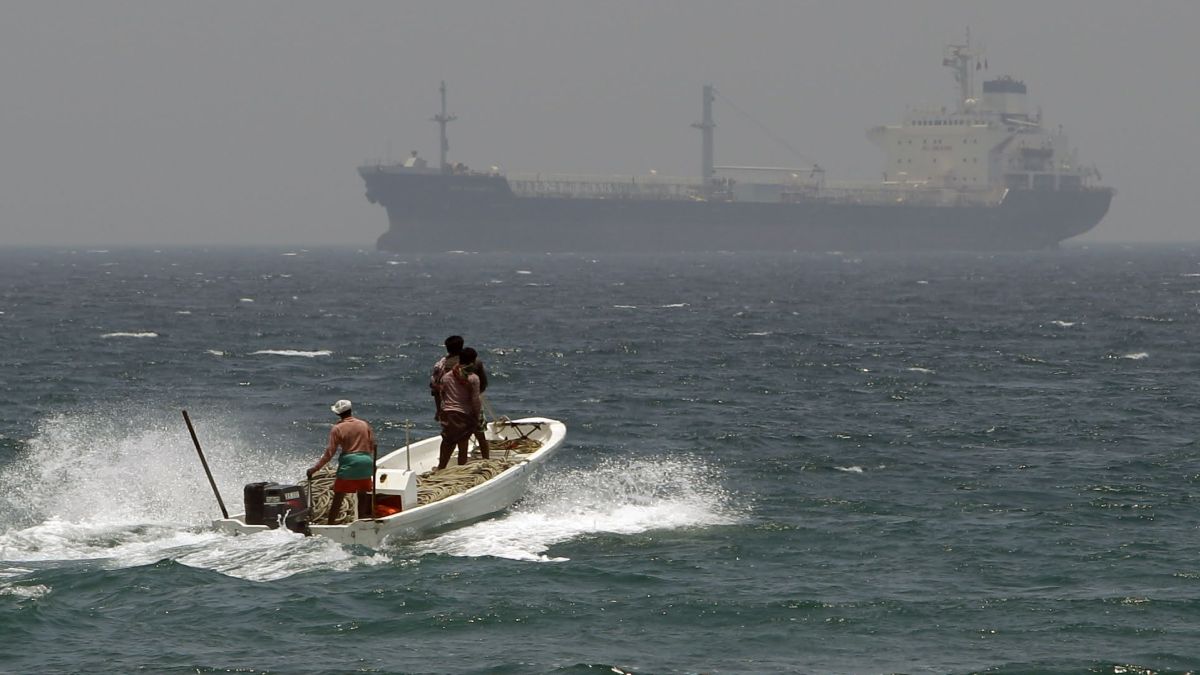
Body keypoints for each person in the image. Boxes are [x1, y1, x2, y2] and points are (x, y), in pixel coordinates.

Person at [307, 399, 377, 524]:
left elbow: (330, 453)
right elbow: (372, 445)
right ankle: (361, 523)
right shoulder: (364, 424)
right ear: (351, 410)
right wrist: (371, 464)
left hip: (350, 462)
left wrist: (314, 469)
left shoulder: (337, 428)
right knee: (362, 495)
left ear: (338, 414)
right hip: (366, 461)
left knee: (338, 497)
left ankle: (330, 525)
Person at [435, 347, 482, 470]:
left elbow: (442, 395)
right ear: (472, 361)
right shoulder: (473, 378)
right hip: (463, 415)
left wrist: (440, 411)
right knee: (463, 443)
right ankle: (461, 469)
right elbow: (475, 400)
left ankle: (441, 467)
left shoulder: (447, 376)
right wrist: (477, 416)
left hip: (448, 413)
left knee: (447, 442)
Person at [430, 335, 464, 423]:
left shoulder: (440, 365)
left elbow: (435, 390)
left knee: (451, 433)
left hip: (449, 407)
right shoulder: (470, 362)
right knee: (477, 430)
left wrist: (438, 410)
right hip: (469, 405)